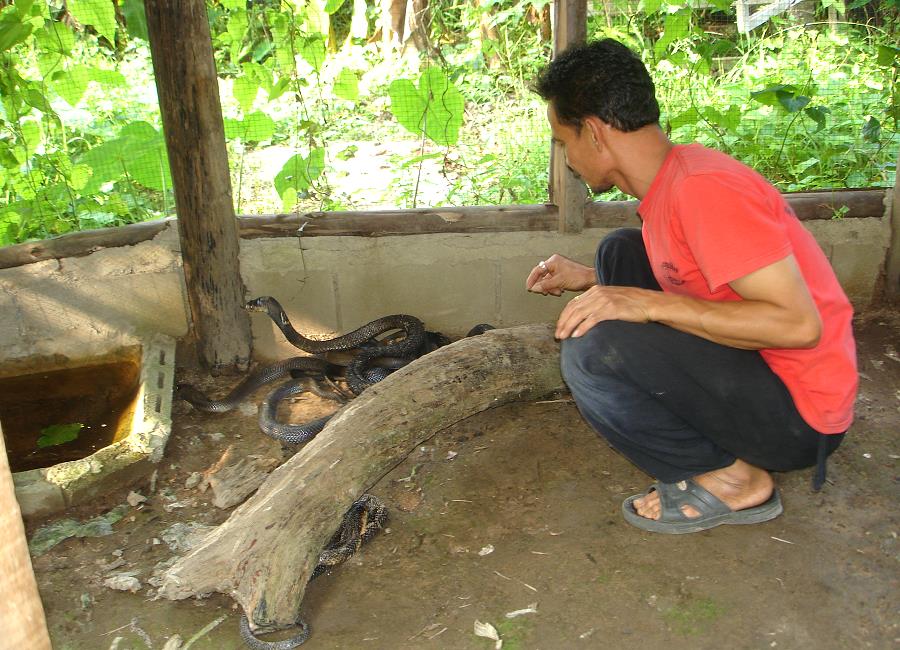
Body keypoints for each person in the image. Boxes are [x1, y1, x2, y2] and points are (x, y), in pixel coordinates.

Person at [525, 39, 857, 534]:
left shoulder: (704, 190)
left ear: (593, 133)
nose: (566, 157)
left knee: (592, 351)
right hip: (763, 374)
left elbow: (798, 325)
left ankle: (734, 480)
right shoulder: (675, 179)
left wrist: (646, 304)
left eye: (562, 141)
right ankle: (713, 440)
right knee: (619, 252)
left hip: (800, 419)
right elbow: (701, 276)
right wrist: (591, 279)